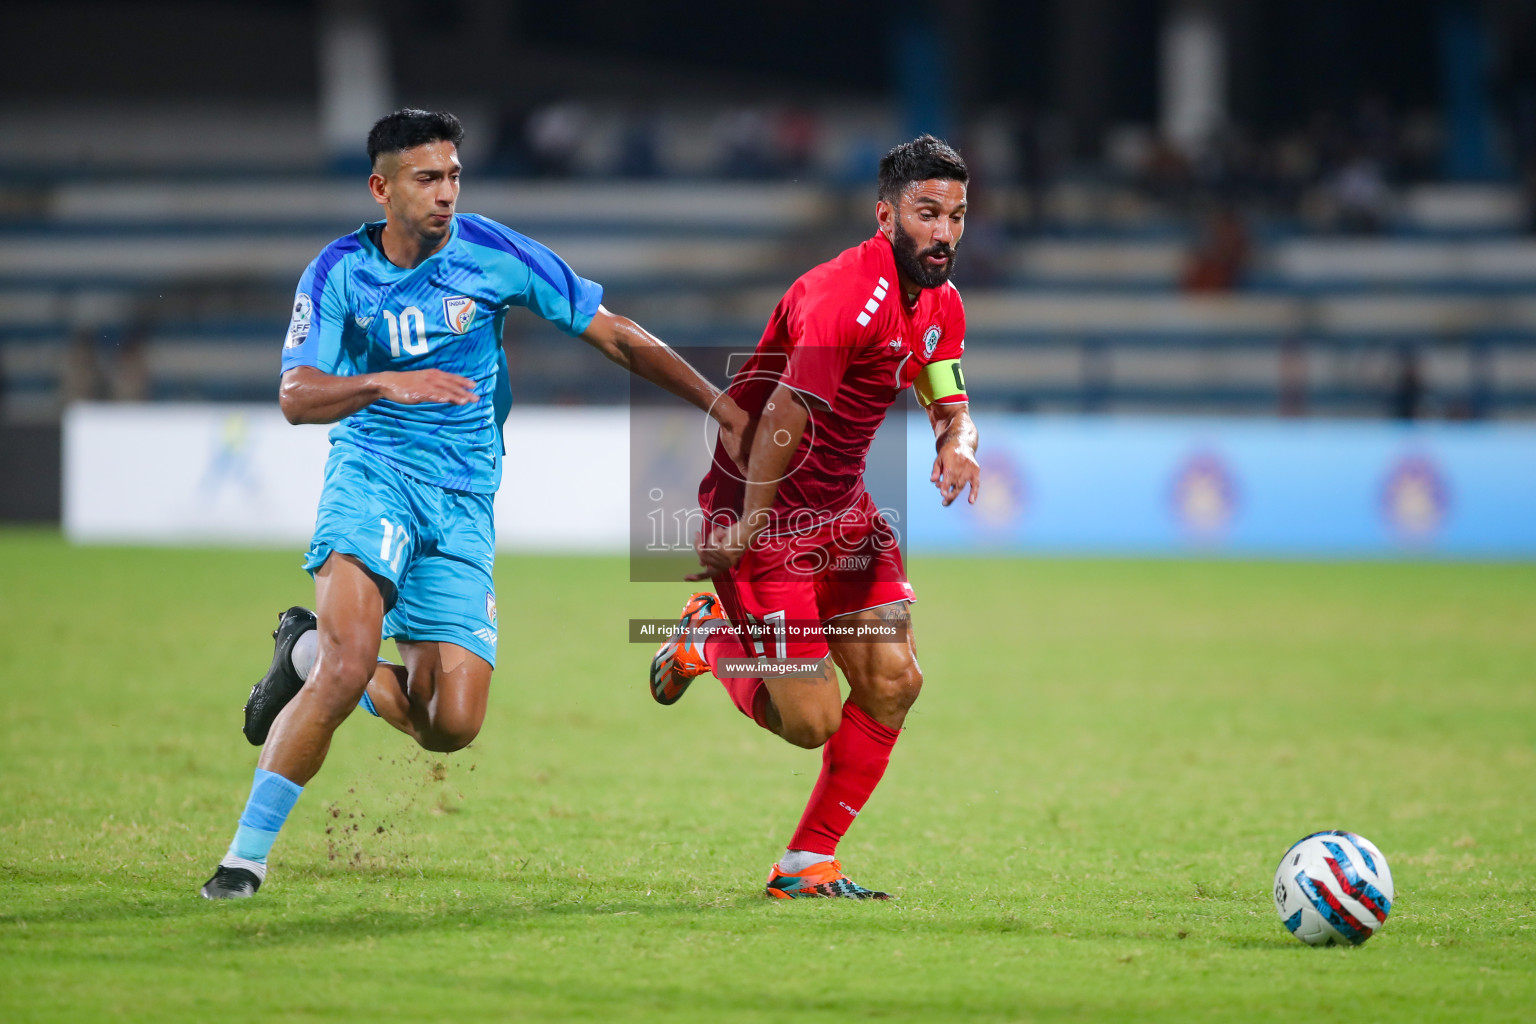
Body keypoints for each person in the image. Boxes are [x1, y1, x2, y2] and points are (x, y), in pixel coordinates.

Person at [201, 108, 745, 899]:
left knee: (450, 722)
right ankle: (242, 862)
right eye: (428, 178)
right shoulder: (338, 273)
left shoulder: (494, 252)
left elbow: (615, 333)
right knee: (353, 666)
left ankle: (304, 652)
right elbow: (295, 395)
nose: (447, 192)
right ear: (381, 188)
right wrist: (384, 381)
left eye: (454, 175)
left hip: (462, 501)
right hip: (374, 475)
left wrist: (716, 403)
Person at [648, 135, 980, 899]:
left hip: (843, 515)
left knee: (895, 680)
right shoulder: (842, 295)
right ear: (886, 214)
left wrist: (957, 441)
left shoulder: (940, 302)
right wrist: (748, 529)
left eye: (957, 216)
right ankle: (709, 636)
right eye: (928, 213)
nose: (945, 233)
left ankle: (805, 865)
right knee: (811, 722)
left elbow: (947, 391)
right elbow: (785, 416)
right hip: (764, 516)